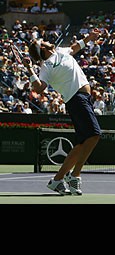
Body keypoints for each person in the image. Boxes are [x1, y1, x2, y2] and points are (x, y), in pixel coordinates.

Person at [23, 28, 102, 195]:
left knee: (82, 144)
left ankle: (57, 180)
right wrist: (30, 69)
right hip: (76, 99)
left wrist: (90, 37)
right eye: (41, 41)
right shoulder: (47, 66)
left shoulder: (60, 50)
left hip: (83, 99)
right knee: (94, 135)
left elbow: (74, 48)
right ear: (42, 49)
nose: (45, 39)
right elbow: (39, 88)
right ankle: (75, 175)